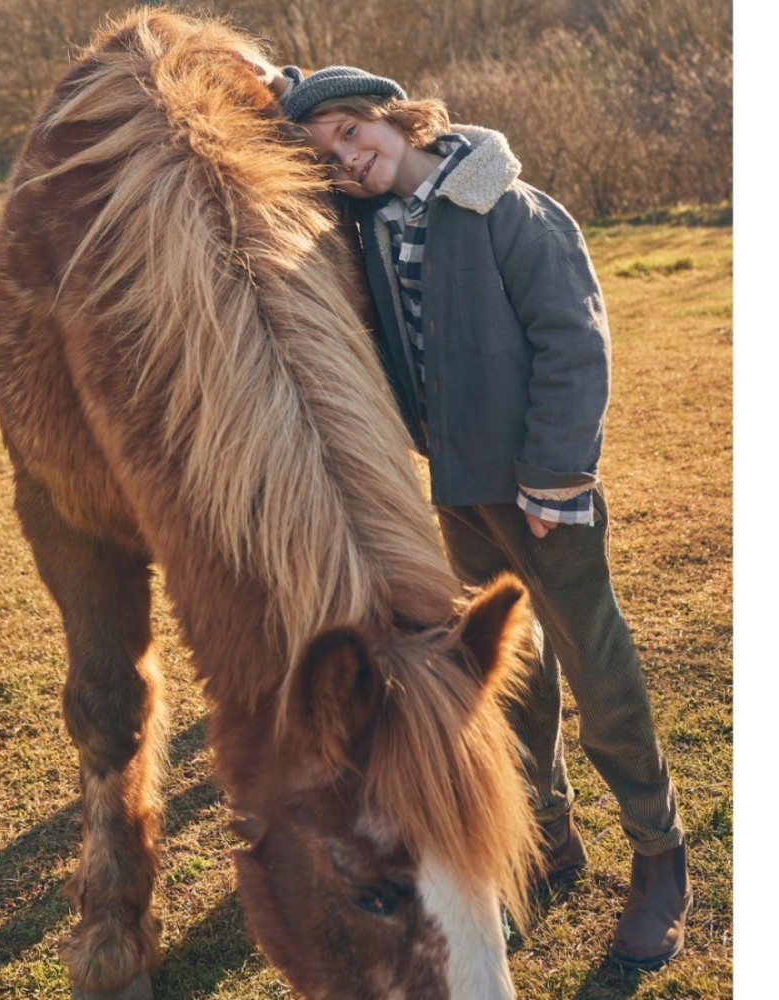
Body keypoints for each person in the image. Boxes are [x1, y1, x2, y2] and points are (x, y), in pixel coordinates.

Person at [252, 60, 691, 970]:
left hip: (542, 496)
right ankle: (548, 837)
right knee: (505, 676)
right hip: (458, 491)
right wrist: (279, 92)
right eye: (326, 154)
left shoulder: (510, 208)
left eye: (349, 132)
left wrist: (556, 477)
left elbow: (574, 338)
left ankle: (659, 856)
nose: (347, 159)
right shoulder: (373, 227)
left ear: (390, 116)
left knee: (597, 669)